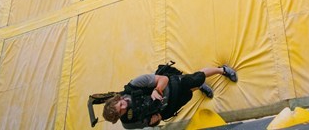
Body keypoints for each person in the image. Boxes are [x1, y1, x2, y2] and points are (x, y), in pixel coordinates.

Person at [102, 64, 239, 127]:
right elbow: (150, 122)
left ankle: (222, 70)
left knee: (197, 78)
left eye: (121, 104)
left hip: (169, 86)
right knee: (188, 95)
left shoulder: (134, 85)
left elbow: (163, 79)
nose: (124, 106)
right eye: (121, 111)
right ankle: (199, 87)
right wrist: (155, 120)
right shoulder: (128, 123)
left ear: (118, 99)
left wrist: (157, 90)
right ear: (119, 117)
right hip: (166, 108)